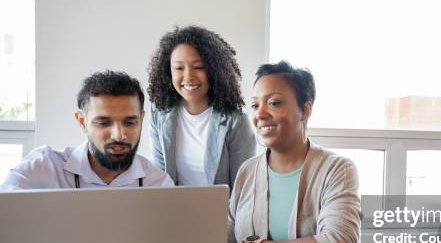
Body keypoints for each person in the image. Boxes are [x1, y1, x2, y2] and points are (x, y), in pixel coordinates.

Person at [227, 61, 361, 243]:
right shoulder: (247, 171)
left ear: (305, 111)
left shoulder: (337, 170)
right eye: (255, 105)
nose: (259, 115)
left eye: (274, 103)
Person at [1, 71, 174, 190]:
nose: (119, 135)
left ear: (142, 119)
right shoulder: (43, 168)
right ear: (82, 121)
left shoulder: (159, 184)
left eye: (130, 122)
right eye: (103, 123)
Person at [147, 26, 256, 189]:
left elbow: (243, 188)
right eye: (179, 68)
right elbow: (159, 180)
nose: (188, 76)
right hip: (172, 209)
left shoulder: (237, 120)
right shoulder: (159, 112)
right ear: (168, 72)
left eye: (198, 67)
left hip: (221, 212)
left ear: (214, 70)